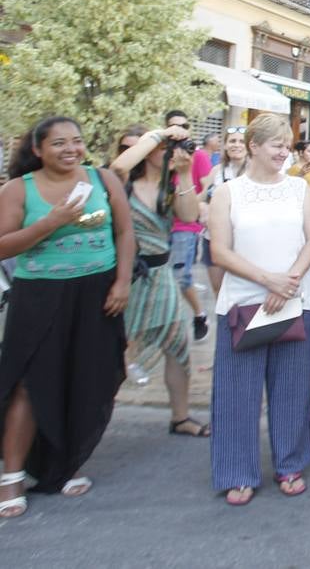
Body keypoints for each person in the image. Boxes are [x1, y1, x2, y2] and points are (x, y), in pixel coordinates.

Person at [0, 117, 133, 517]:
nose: (70, 149)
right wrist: (49, 223)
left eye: (76, 141)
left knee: (86, 378)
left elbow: (124, 233)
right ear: (38, 149)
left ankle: (64, 465)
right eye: (58, 143)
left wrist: (122, 282)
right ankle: (12, 477)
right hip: (39, 295)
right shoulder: (18, 189)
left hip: (98, 293)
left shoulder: (103, 179)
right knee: (28, 384)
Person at [207, 114, 310, 505]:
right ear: (253, 146)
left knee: (291, 388)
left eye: (287, 143)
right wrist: (266, 280)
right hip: (242, 301)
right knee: (237, 392)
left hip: (295, 298)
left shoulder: (298, 189)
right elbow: (219, 250)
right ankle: (238, 471)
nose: (284, 150)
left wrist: (287, 282)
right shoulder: (227, 192)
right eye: (276, 143)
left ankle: (290, 463)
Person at [109, 124, 211, 438]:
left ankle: (180, 417)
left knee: (178, 345)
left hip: (161, 274)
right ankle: (93, 412)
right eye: (164, 148)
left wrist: (182, 173)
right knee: (114, 350)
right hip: (127, 275)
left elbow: (189, 215)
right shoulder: (123, 182)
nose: (170, 152)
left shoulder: (171, 184)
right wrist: (160, 134)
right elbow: (117, 166)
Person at [164, 110, 213, 341]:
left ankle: (199, 314)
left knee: (180, 276)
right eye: (174, 126)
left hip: (186, 225)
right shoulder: (161, 154)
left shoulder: (199, 156)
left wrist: (191, 204)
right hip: (162, 223)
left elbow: (206, 188)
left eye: (184, 125)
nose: (180, 130)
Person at [200, 126, 248, 293]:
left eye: (242, 141)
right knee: (220, 293)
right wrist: (204, 209)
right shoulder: (216, 171)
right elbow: (202, 199)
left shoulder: (255, 172)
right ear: (225, 145)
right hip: (213, 239)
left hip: (243, 241)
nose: (237, 145)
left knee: (241, 293)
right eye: (232, 141)